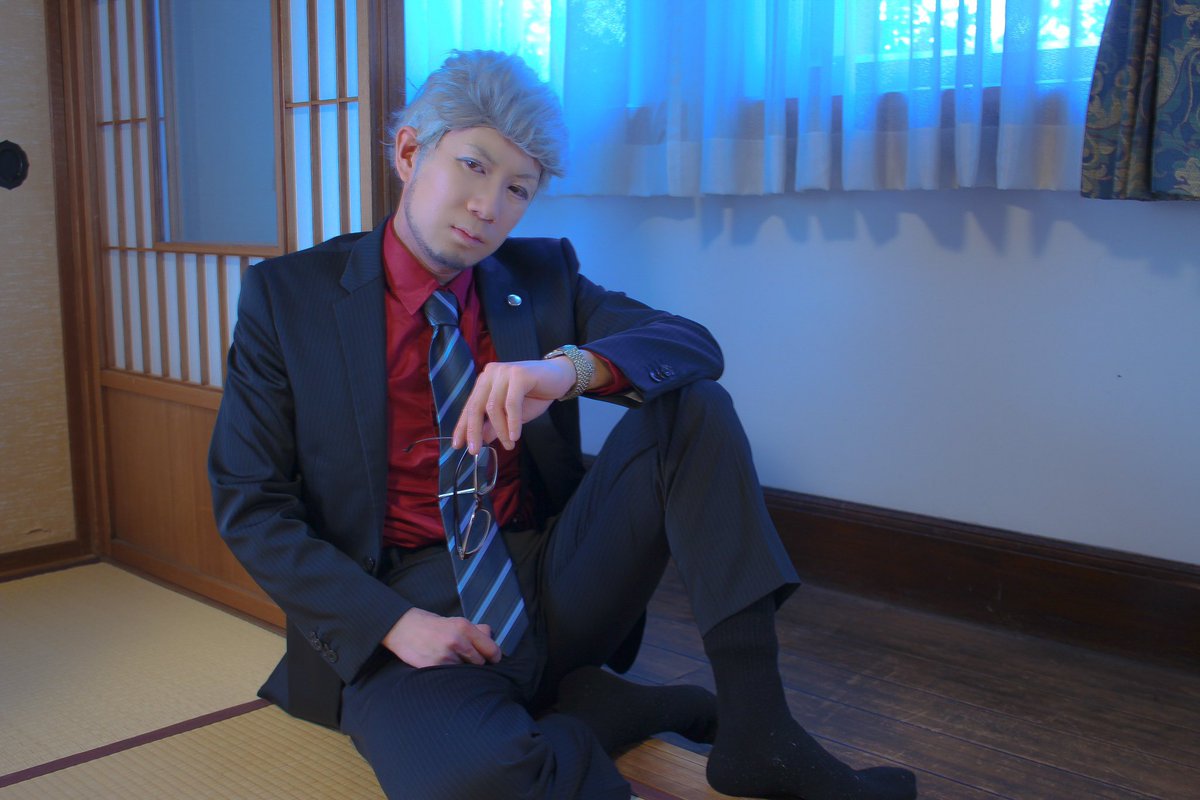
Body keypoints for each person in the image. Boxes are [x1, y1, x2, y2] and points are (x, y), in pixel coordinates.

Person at [209, 49, 918, 800]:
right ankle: (591, 710)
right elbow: (251, 503)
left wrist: (567, 371)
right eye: (474, 167)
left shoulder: (541, 277)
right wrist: (390, 623)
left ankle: (759, 728)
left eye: (519, 188)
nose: (490, 206)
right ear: (410, 151)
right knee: (471, 782)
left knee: (692, 405)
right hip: (404, 597)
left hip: (551, 573)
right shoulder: (288, 299)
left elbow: (692, 347)